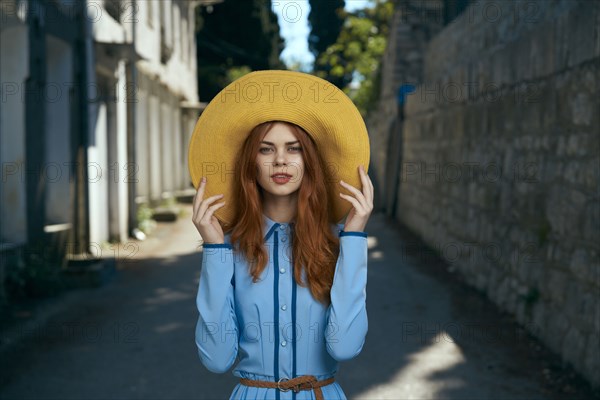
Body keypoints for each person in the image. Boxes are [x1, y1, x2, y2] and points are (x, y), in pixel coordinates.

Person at [188, 70, 373, 400]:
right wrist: (214, 248)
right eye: (265, 149)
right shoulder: (229, 248)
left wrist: (355, 237)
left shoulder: (338, 245)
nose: (281, 161)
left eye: (294, 148)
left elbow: (345, 347)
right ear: (251, 162)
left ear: (310, 160)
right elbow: (216, 359)